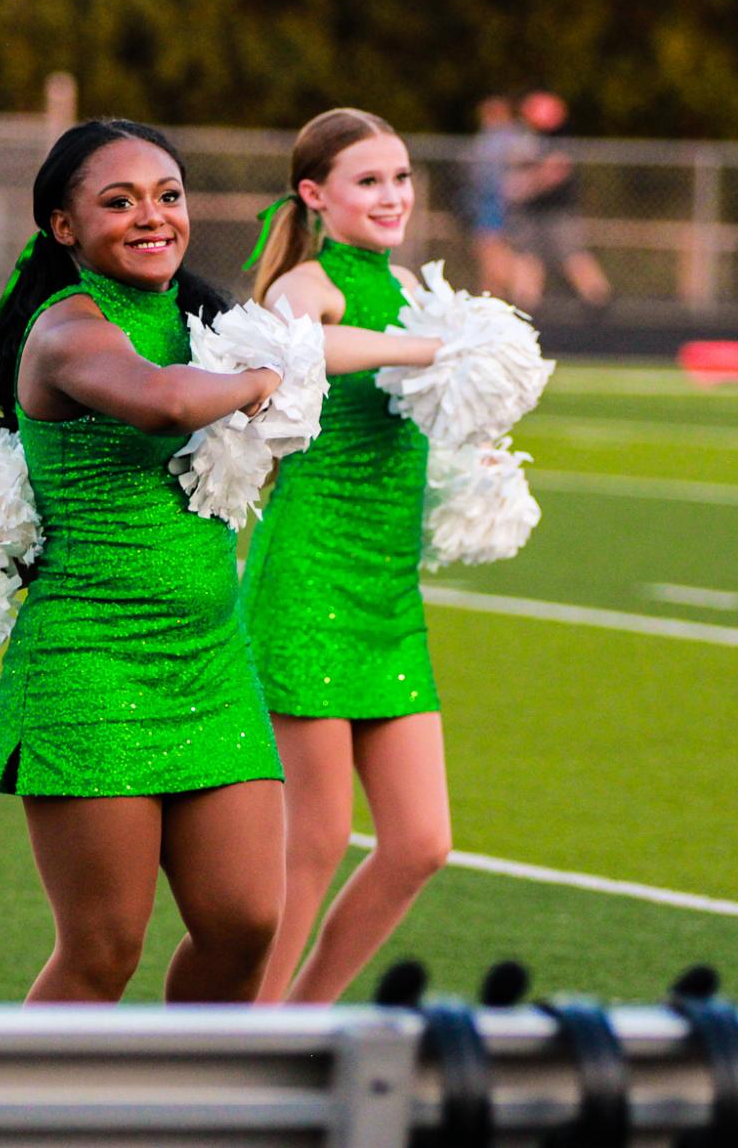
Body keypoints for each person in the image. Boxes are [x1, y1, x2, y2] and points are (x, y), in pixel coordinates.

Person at [0, 119, 288, 1004]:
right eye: (119, 201)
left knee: (247, 923)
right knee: (104, 950)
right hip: (92, 666)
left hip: (212, 663)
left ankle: (181, 1114)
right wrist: (266, 381)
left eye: (167, 196)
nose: (152, 217)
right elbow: (163, 401)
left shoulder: (206, 323)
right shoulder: (67, 331)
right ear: (63, 228)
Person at [239, 108, 451, 1004]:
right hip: (309, 580)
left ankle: (300, 1018)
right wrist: (433, 349)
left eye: (400, 178)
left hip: (385, 593)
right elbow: (302, 351)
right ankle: (243, 1036)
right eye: (369, 181)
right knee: (314, 839)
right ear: (314, 195)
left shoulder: (408, 283)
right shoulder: (305, 284)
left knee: (419, 844)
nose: (392, 196)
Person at [506, 90, 612, 314]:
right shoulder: (531, 140)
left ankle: (598, 302)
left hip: (558, 212)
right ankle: (523, 309)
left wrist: (524, 185)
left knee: (572, 256)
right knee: (527, 257)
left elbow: (553, 171)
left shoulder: (558, 140)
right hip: (532, 213)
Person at [465, 94, 542, 307]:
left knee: (498, 253)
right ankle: (494, 299)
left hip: (503, 206)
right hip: (489, 204)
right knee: (491, 253)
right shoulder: (497, 137)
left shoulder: (509, 138)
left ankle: (519, 295)